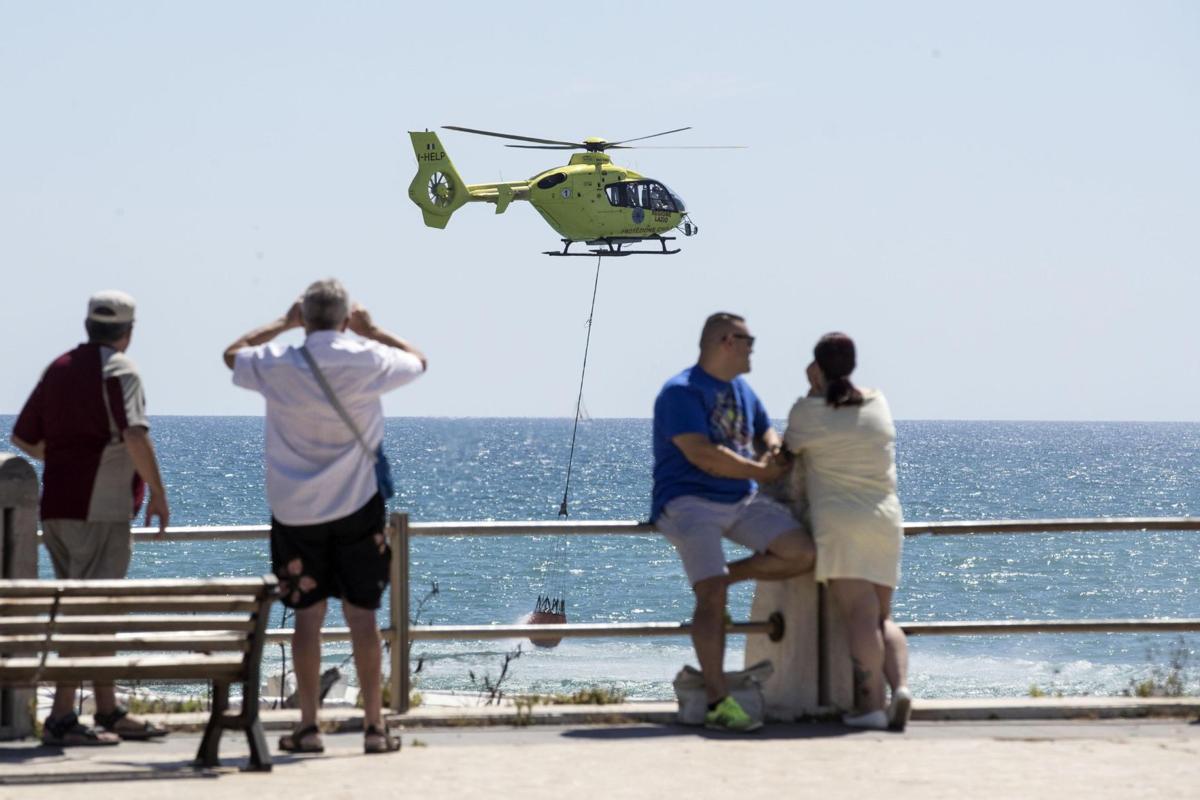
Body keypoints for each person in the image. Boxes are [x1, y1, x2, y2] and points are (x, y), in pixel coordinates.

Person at [223, 278, 426, 755]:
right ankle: (375, 727)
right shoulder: (366, 358)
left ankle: (309, 727)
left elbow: (232, 355)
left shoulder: (280, 364)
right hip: (358, 508)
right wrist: (373, 331)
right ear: (344, 318)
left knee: (307, 621)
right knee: (364, 619)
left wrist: (280, 322)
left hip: (295, 513)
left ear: (304, 317)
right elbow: (419, 361)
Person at [10, 290, 170, 746]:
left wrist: (63, 459)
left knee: (91, 609)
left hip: (58, 507)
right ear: (128, 331)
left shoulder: (59, 368)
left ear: (88, 325)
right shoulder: (121, 370)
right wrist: (157, 493)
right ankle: (62, 716)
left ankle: (106, 707)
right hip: (101, 508)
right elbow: (136, 435)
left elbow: (23, 436)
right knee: (91, 613)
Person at [652, 312, 815, 732]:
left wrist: (775, 450)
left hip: (741, 500)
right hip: (690, 503)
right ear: (726, 341)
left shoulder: (742, 389)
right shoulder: (681, 393)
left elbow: (766, 431)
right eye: (748, 340)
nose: (753, 348)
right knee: (710, 598)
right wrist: (761, 472)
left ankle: (723, 579)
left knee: (803, 553)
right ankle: (718, 702)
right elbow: (701, 453)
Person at [784, 333, 911, 731]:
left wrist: (812, 388)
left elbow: (786, 455)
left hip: (839, 524)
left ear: (816, 367)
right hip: (885, 519)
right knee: (882, 617)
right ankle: (900, 688)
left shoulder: (808, 412)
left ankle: (871, 705)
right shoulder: (878, 402)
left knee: (858, 613)